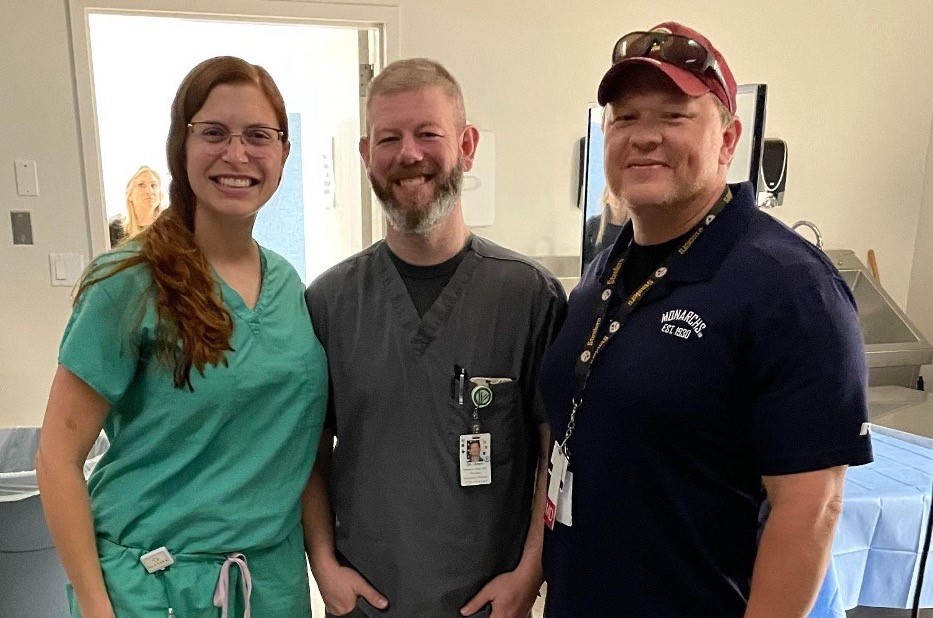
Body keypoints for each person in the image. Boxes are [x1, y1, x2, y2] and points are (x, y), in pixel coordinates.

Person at [539, 22, 873, 617]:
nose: (643, 137)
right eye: (624, 118)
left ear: (728, 137)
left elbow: (810, 508)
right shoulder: (605, 272)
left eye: (673, 116)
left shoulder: (790, 289)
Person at [35, 56, 328, 617]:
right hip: (153, 588)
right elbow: (57, 457)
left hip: (268, 586)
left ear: (284, 153)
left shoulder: (290, 285)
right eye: (213, 133)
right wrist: (98, 608)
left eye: (258, 136)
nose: (236, 154)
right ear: (181, 145)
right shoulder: (128, 280)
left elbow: (302, 450)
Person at [303, 58, 566, 618]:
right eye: (388, 138)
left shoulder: (529, 297)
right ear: (365, 154)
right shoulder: (329, 302)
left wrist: (530, 572)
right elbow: (308, 451)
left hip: (489, 605)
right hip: (368, 604)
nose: (408, 155)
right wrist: (323, 564)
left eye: (428, 133)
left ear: (466, 145)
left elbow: (555, 450)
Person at [109, 166, 165, 247]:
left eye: (153, 185)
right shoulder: (114, 229)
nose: (149, 191)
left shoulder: (170, 228)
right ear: (130, 194)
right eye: (141, 185)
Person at [581, 185, 628, 269]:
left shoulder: (636, 227)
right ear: (606, 198)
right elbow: (584, 260)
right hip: (598, 278)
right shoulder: (593, 224)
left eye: (621, 194)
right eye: (614, 193)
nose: (617, 198)